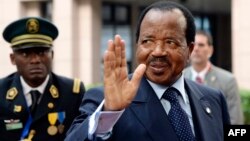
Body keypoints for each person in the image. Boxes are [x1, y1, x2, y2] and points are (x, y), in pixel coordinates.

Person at [65, 1, 230, 141]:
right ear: (137, 45)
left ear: (190, 49)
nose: (158, 51)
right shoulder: (105, 101)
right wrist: (109, 114)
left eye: (170, 42)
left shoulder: (213, 99)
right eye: (147, 41)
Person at [0, 17, 85, 141]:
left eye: (42, 52)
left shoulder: (72, 92)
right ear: (13, 58)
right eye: (25, 53)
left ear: (52, 55)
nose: (35, 60)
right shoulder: (1, 92)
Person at [183, 30, 244, 124]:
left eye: (201, 45)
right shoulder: (179, 78)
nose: (196, 49)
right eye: (193, 45)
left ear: (210, 50)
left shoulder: (228, 80)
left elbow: (235, 120)